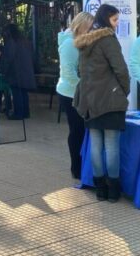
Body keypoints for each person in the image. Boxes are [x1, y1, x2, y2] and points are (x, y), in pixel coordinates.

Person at [74, 4, 130, 203]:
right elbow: (121, 69)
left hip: (90, 101)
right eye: (115, 20)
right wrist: (125, 90)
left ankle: (100, 190)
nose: (116, 24)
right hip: (110, 99)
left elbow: (80, 72)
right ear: (106, 19)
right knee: (112, 146)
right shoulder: (107, 39)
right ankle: (113, 191)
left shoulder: (85, 41)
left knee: (96, 145)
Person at [56, 12, 94, 180]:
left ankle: (81, 165)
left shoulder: (81, 41)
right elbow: (69, 73)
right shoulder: (70, 44)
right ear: (81, 25)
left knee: (81, 130)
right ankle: (76, 168)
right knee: (77, 131)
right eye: (90, 27)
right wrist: (85, 89)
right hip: (70, 93)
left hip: (79, 92)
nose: (92, 30)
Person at [0, 24, 36, 120]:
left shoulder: (11, 42)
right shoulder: (26, 41)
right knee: (23, 92)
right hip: (26, 71)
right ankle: (25, 113)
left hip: (16, 72)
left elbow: (8, 59)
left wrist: (3, 70)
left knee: (17, 92)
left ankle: (18, 114)